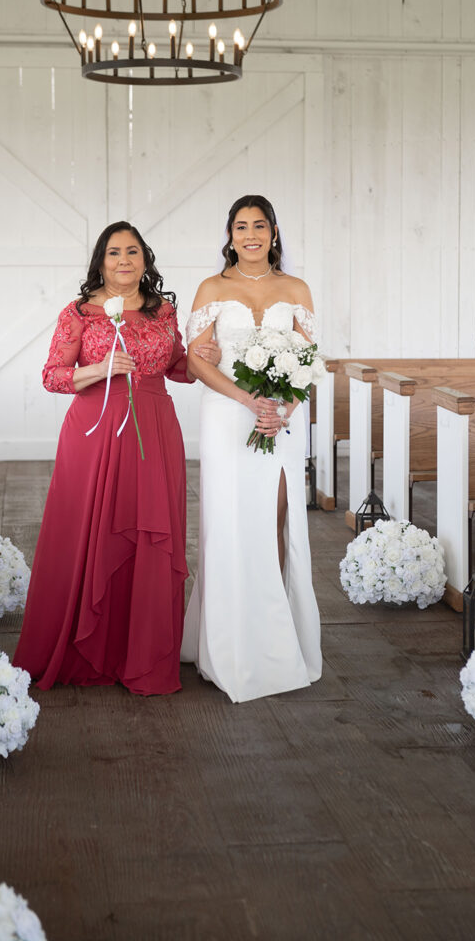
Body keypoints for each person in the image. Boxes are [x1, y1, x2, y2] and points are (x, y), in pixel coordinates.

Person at [14, 221, 218, 696]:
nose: (123, 260)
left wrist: (204, 357)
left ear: (145, 259)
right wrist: (99, 369)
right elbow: (52, 376)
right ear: (100, 262)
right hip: (94, 431)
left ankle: (141, 655)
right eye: (113, 253)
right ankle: (83, 649)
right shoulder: (79, 312)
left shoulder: (163, 311)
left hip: (155, 428)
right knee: (87, 534)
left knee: (149, 536)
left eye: (131, 251)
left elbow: (176, 367)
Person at [181, 195, 322, 702]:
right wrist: (246, 399)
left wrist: (280, 410)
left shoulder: (296, 288)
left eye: (258, 225)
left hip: (282, 419)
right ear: (230, 235)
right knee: (229, 520)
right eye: (240, 227)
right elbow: (197, 362)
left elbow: (307, 360)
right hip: (226, 414)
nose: (250, 235)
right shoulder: (211, 288)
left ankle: (276, 639)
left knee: (274, 519)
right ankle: (228, 646)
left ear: (274, 231)